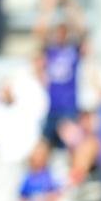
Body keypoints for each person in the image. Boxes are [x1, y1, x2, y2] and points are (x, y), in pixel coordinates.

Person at [35, 10, 86, 149]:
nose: (60, 35)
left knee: (71, 147)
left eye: (63, 32)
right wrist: (47, 8)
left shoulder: (73, 51)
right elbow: (39, 34)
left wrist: (71, 6)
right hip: (51, 108)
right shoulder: (50, 51)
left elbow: (83, 32)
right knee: (45, 146)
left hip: (69, 108)